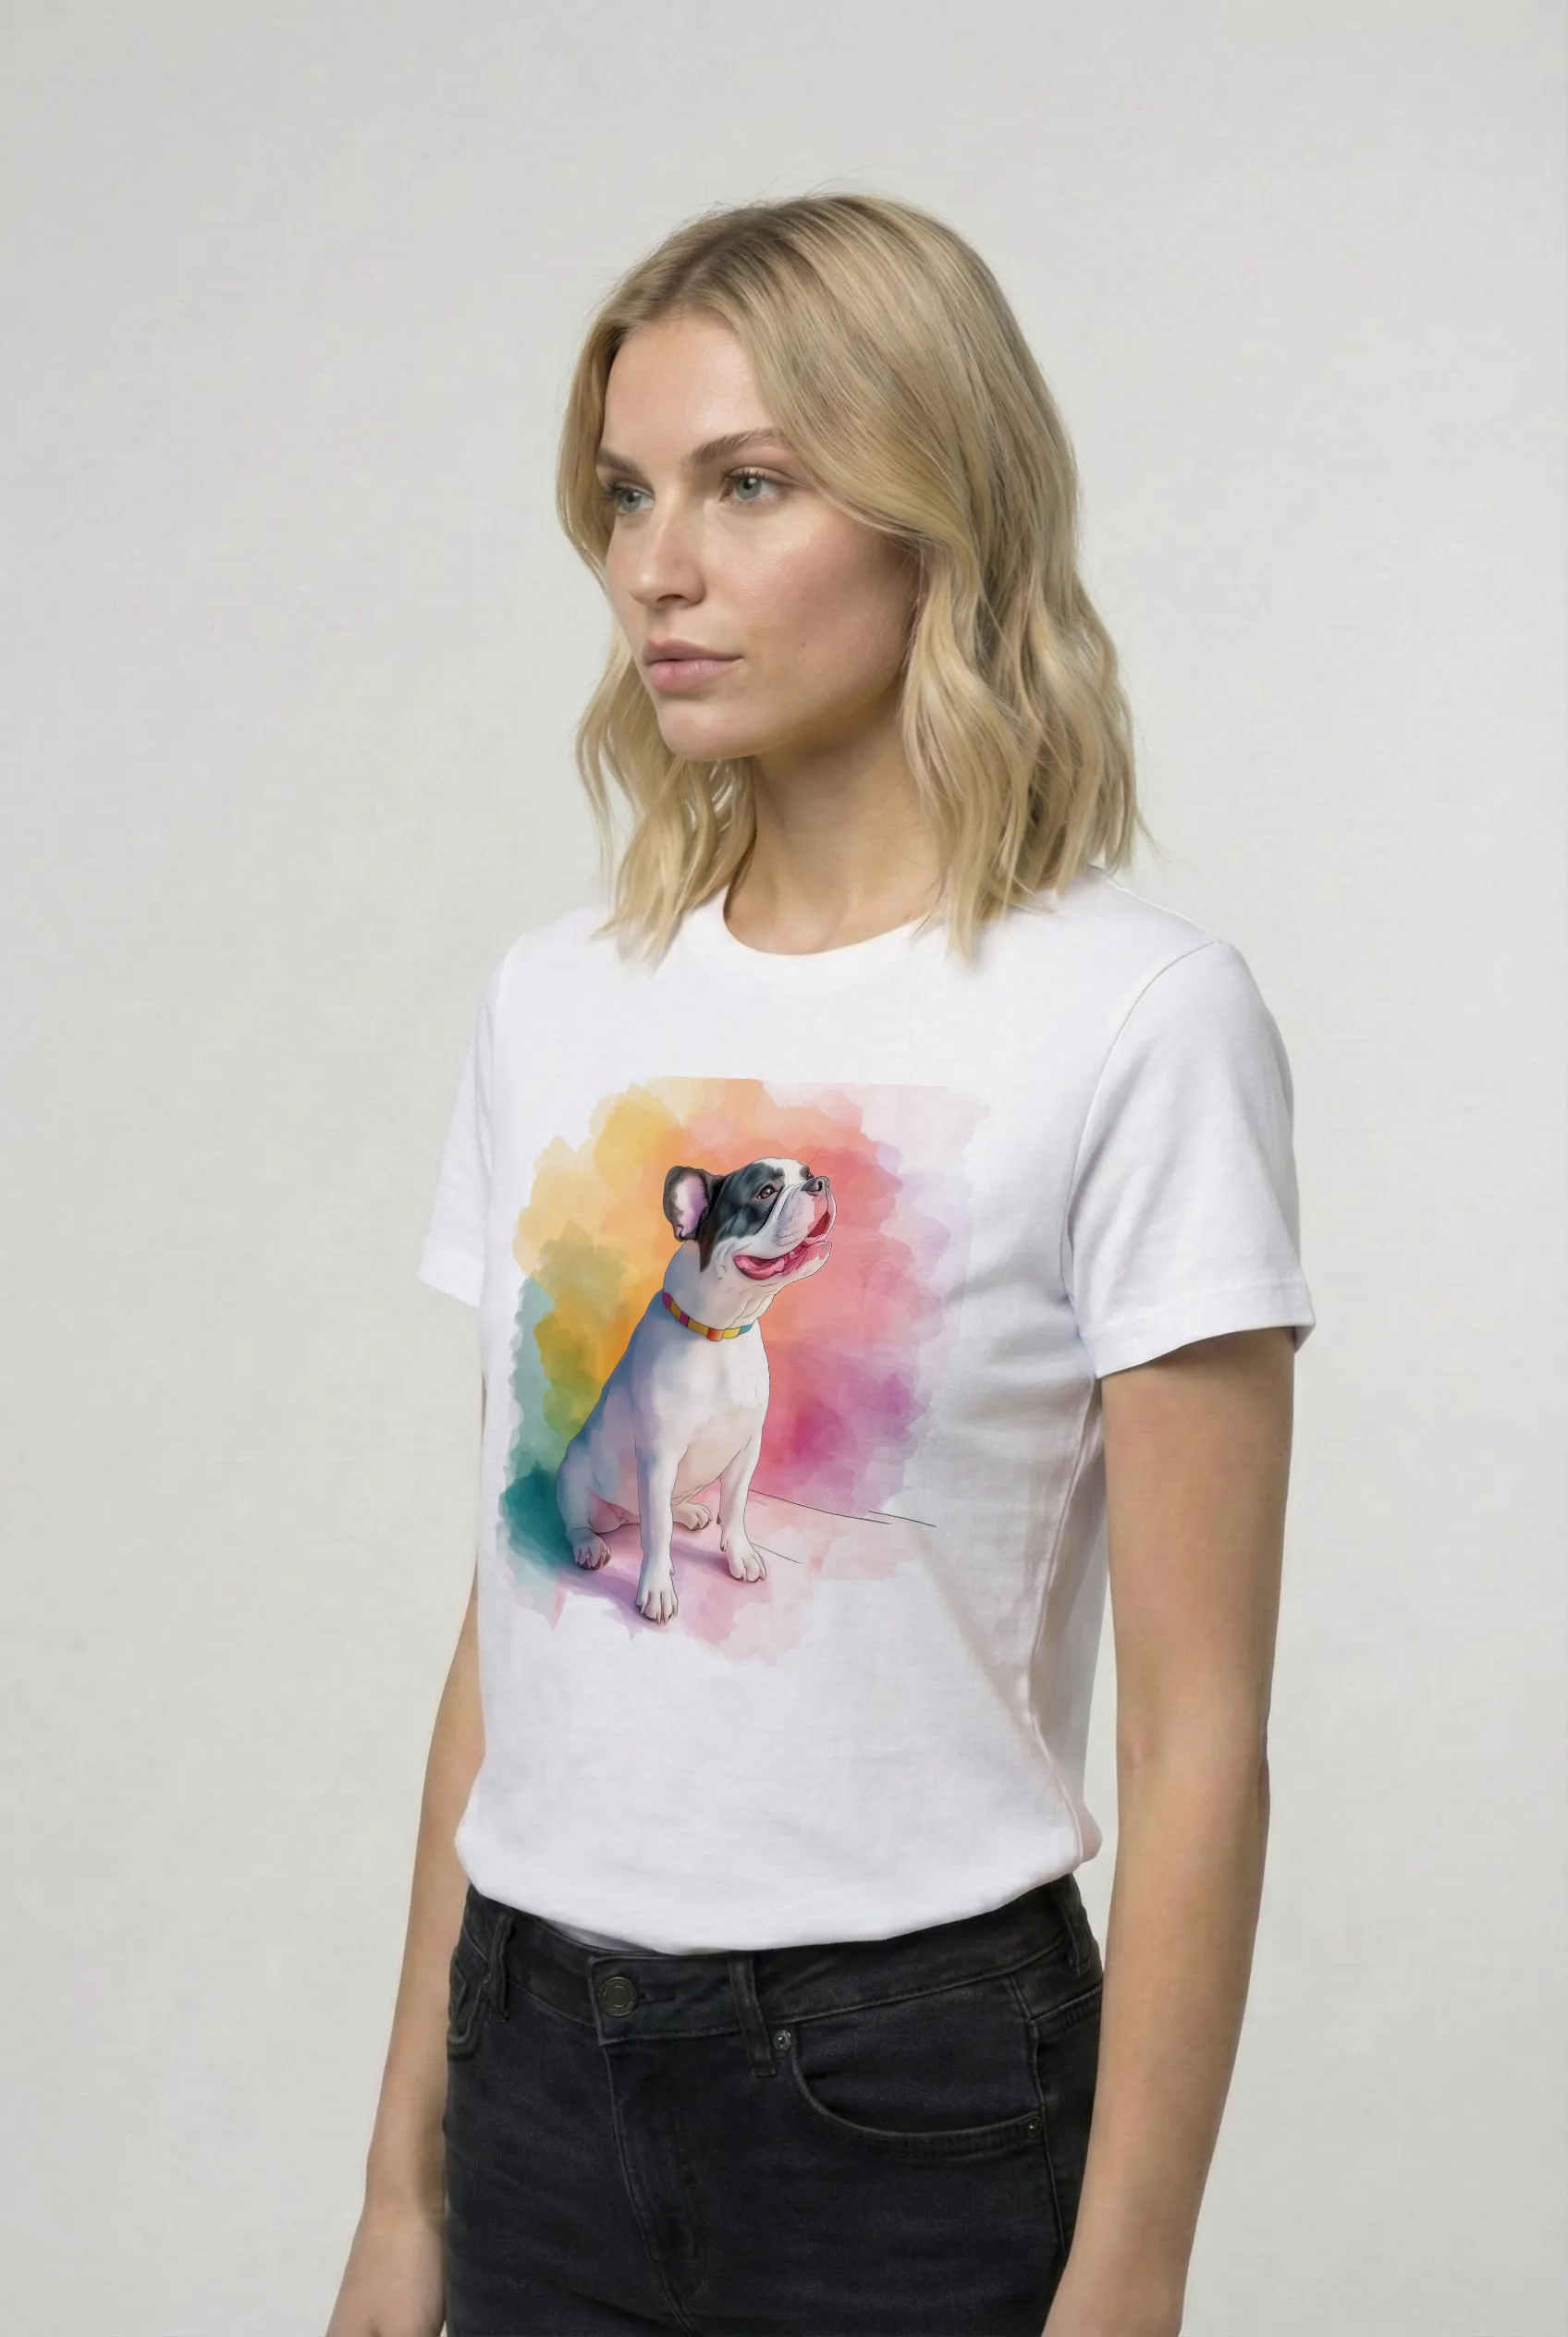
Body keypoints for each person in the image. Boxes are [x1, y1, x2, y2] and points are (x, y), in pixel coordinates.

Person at [325, 191, 1315, 2337]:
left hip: (908, 2094)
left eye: (746, 483)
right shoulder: (554, 1003)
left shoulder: (1134, 1021)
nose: (652, 567)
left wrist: (1127, 2281)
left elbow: (1200, 1732)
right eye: (624, 492)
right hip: (529, 2062)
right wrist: (400, 2189)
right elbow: (513, 1614)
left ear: (932, 510)